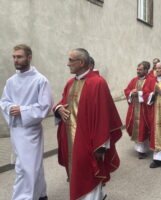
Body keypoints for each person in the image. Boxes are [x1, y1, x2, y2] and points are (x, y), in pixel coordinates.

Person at [53, 48, 122, 200]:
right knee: (77, 172)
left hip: (89, 140)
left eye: (71, 60)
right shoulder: (70, 83)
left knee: (90, 173)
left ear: (82, 62)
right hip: (71, 139)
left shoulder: (98, 83)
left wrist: (101, 146)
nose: (67, 64)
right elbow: (63, 102)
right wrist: (58, 108)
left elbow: (104, 117)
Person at [0, 44, 53, 200]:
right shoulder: (11, 81)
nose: (16, 60)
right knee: (33, 166)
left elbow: (45, 106)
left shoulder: (40, 80)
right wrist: (10, 108)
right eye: (14, 57)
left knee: (25, 168)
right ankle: (41, 194)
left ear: (29, 57)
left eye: (19, 56)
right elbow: (4, 101)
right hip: (16, 130)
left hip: (31, 131)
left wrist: (22, 110)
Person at [124, 62, 150, 159]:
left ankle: (142, 150)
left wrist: (139, 94)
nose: (138, 71)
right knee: (133, 126)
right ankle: (140, 148)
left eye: (140, 70)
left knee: (144, 128)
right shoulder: (134, 80)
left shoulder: (150, 80)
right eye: (137, 69)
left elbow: (150, 92)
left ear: (146, 70)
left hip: (144, 109)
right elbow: (127, 90)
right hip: (134, 108)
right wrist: (131, 93)